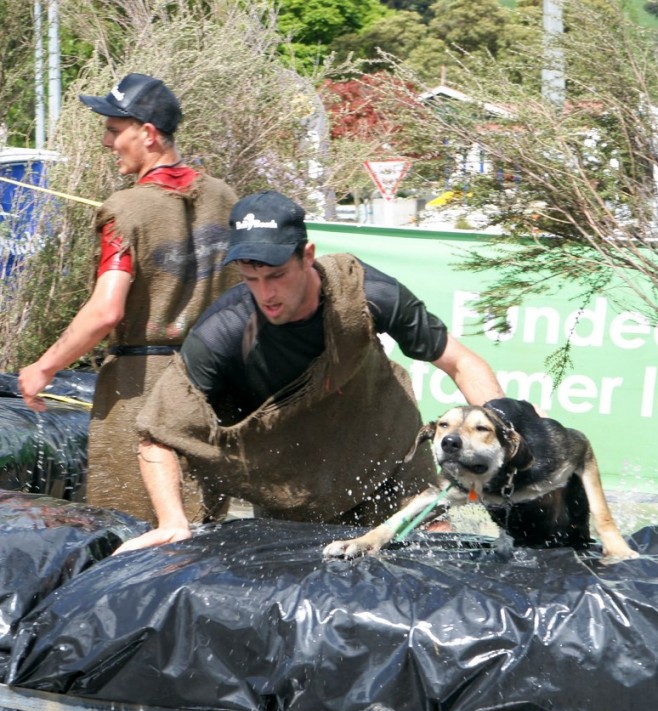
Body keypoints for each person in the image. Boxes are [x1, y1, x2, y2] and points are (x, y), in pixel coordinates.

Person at [115, 189, 505, 552]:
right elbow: (156, 432)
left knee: (445, 546)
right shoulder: (224, 331)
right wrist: (172, 520)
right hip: (297, 486)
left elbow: (461, 362)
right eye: (251, 279)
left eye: (276, 275)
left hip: (391, 453)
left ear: (306, 256)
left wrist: (508, 426)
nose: (266, 293)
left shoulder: (366, 292)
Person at [18, 72, 238, 522]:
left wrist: (43, 368)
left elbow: (106, 311)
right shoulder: (226, 198)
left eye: (114, 130)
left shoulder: (126, 210)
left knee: (134, 529)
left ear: (149, 134)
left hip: (142, 392)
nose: (107, 142)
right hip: (213, 387)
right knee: (205, 530)